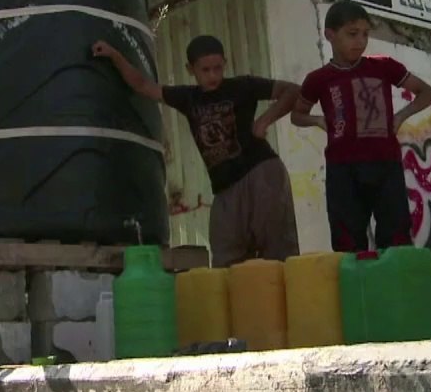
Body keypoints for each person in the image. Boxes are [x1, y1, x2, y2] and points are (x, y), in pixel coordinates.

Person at [92, 35, 302, 267]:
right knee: (227, 258)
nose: (213, 76)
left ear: (225, 63)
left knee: (278, 251)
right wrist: (115, 55)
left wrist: (264, 121)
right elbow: (143, 85)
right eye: (205, 70)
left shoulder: (242, 86)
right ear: (190, 69)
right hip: (225, 188)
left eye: (217, 68)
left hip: (261, 174)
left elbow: (292, 91)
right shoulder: (188, 98)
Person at [291, 1, 431, 252]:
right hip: (342, 169)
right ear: (330, 35)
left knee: (397, 241)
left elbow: (427, 93)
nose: (360, 41)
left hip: (385, 164)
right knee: (348, 245)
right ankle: (358, 291)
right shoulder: (318, 79)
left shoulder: (383, 66)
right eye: (352, 34)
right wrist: (317, 120)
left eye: (365, 34)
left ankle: (393, 291)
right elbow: (297, 115)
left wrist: (401, 116)